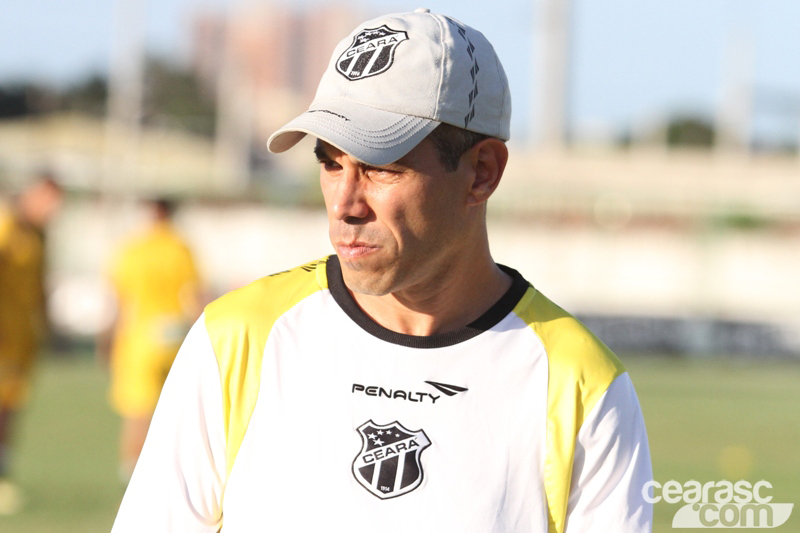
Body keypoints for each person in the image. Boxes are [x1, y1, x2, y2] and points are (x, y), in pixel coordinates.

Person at [112, 9, 652, 532]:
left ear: (481, 173)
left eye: (381, 167)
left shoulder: (582, 385)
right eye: (329, 162)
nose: (344, 202)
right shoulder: (235, 340)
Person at [99, 198, 202, 483]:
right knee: (176, 410)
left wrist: (106, 339)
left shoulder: (132, 248)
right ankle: (171, 473)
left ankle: (132, 475)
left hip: (140, 339)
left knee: (138, 412)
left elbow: (117, 300)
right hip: (174, 337)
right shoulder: (181, 248)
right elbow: (195, 296)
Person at [0, 172, 63, 514]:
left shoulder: (38, 233)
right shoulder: (6, 225)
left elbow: (40, 283)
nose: (53, 210)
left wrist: (47, 324)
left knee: (10, 410)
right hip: (3, 337)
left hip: (22, 337)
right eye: (49, 201)